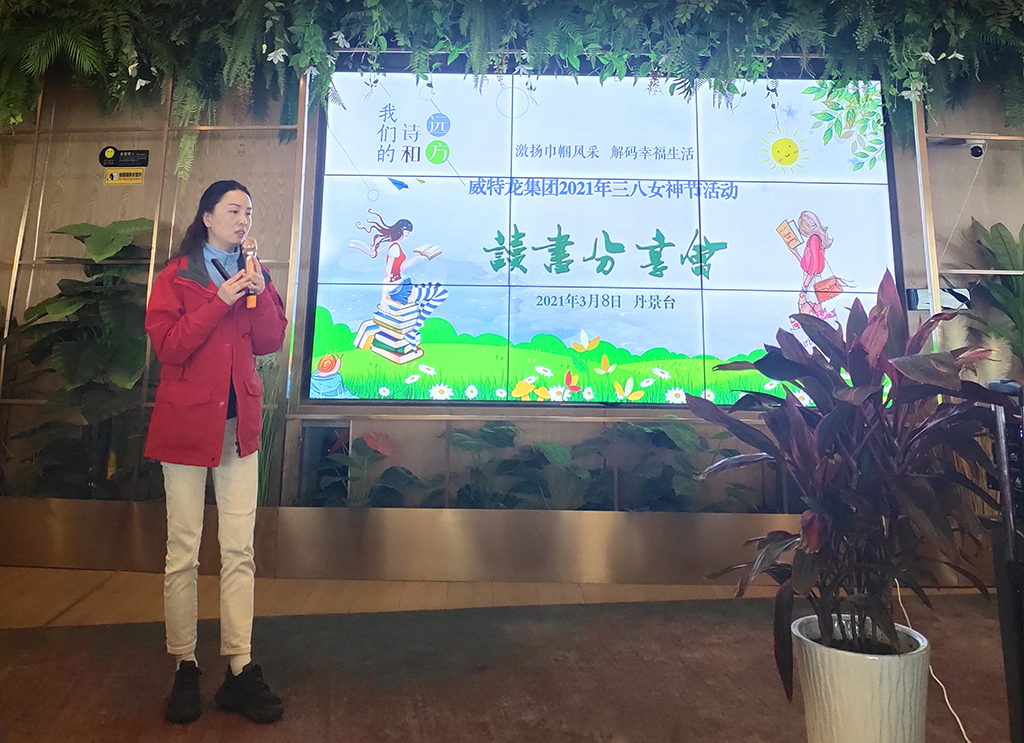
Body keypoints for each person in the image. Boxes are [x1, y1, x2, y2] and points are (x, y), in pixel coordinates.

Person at [144, 180, 288, 724]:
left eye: (248, 211)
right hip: (185, 425)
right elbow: (170, 346)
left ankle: (239, 667)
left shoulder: (252, 272)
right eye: (232, 210)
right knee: (183, 550)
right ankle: (185, 664)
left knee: (239, 550)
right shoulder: (176, 275)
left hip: (238, 426)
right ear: (206, 216)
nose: (242, 219)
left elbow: (270, 340)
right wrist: (220, 299)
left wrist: (261, 288)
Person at [348, 210, 447, 350]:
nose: (407, 236)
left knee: (435, 287)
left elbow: (400, 268)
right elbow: (387, 274)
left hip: (401, 285)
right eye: (407, 233)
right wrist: (383, 299)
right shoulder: (394, 247)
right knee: (441, 293)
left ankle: (415, 324)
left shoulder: (394, 246)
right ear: (401, 231)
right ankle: (414, 329)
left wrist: (417, 257)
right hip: (398, 290)